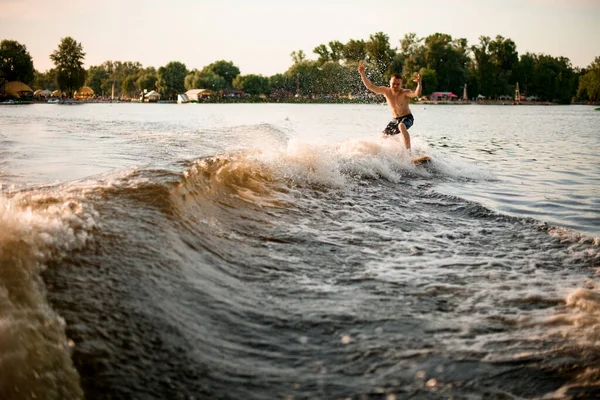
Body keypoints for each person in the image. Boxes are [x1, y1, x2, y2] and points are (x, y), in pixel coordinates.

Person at [358, 61, 421, 150]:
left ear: (401, 84)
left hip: (407, 118)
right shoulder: (385, 91)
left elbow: (416, 93)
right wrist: (362, 74)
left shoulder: (405, 92)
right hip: (395, 120)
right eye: (393, 83)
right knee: (383, 137)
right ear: (390, 82)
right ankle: (390, 153)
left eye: (398, 84)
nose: (395, 86)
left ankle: (409, 153)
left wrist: (419, 84)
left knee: (401, 126)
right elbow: (371, 86)